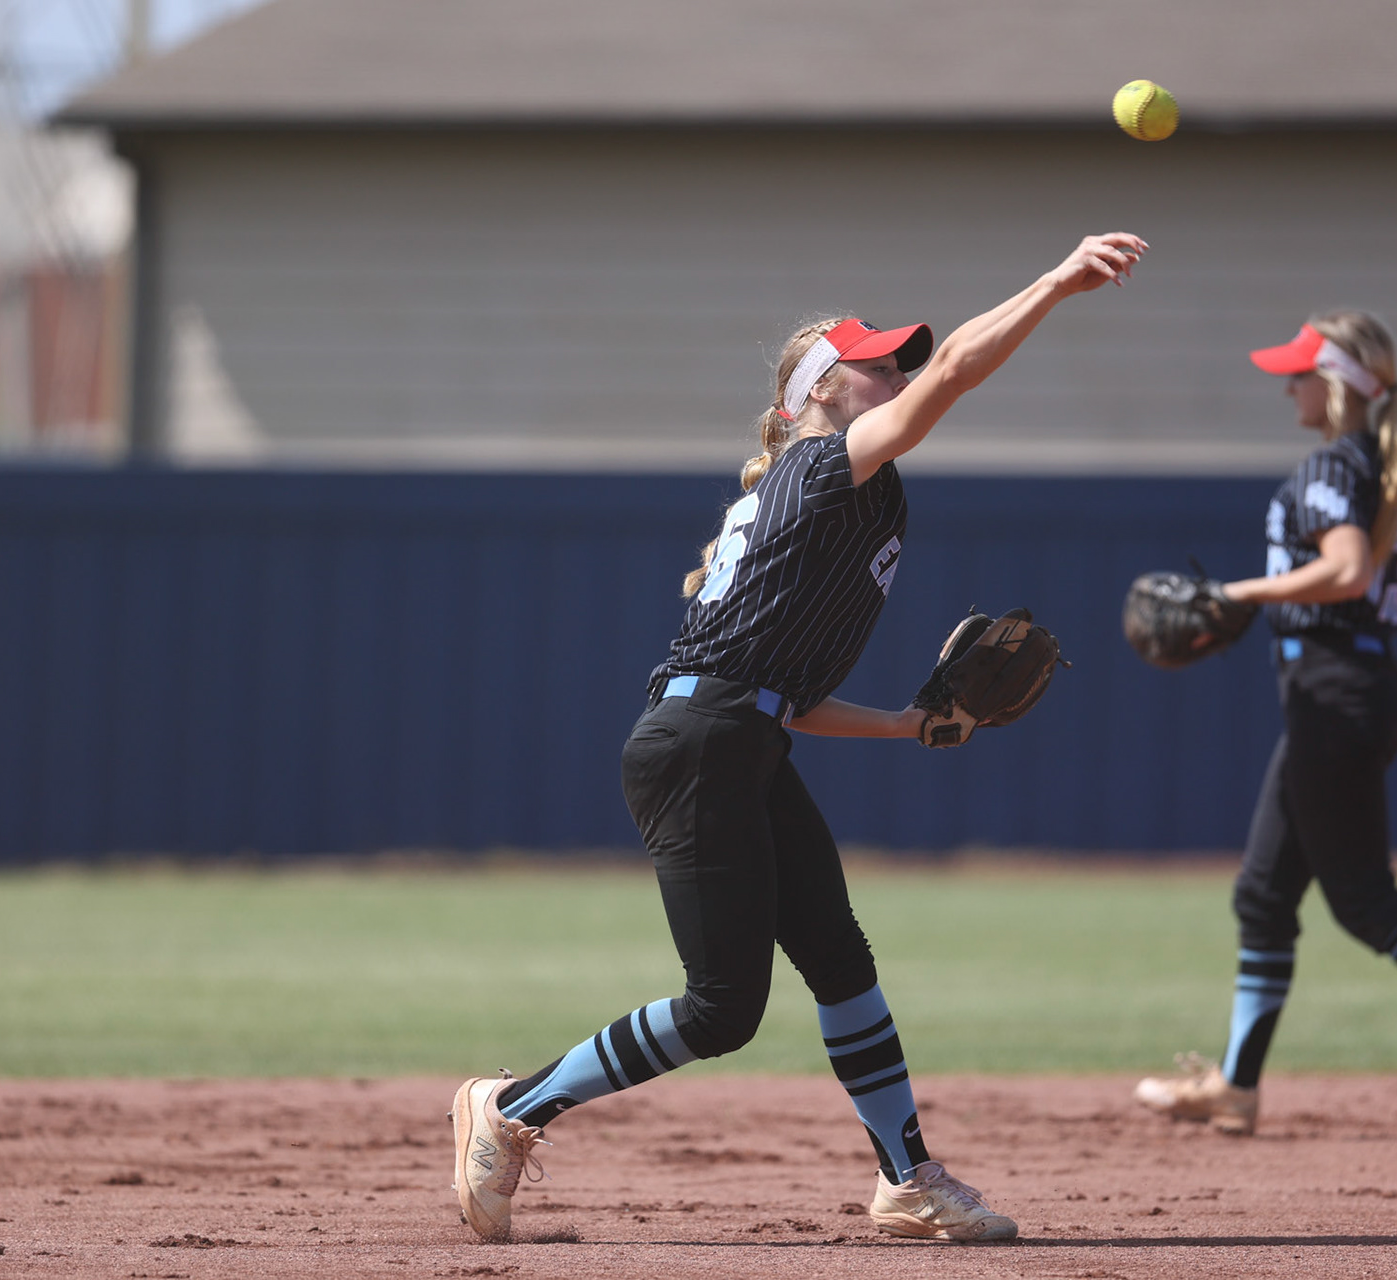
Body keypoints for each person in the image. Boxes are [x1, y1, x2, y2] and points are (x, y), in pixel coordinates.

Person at [449, 231, 1148, 1244]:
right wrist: (1056, 281)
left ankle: (906, 1175)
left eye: (898, 357)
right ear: (819, 391)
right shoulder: (825, 467)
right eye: (874, 359)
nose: (900, 367)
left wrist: (907, 724)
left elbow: (782, 697)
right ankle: (512, 1103)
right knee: (722, 1007)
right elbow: (954, 370)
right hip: (699, 743)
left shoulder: (846, 492)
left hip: (740, 734)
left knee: (840, 956)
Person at [1133, 311, 1397, 1138]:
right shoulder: (1385, 470)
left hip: (1334, 697)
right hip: (1352, 690)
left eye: (1297, 373)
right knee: (1263, 893)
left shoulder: (1332, 464)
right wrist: (1354, 601)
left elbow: (1351, 565)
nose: (1286, 385)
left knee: (1362, 900)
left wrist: (1244, 593)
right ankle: (1238, 1087)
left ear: (1333, 387)